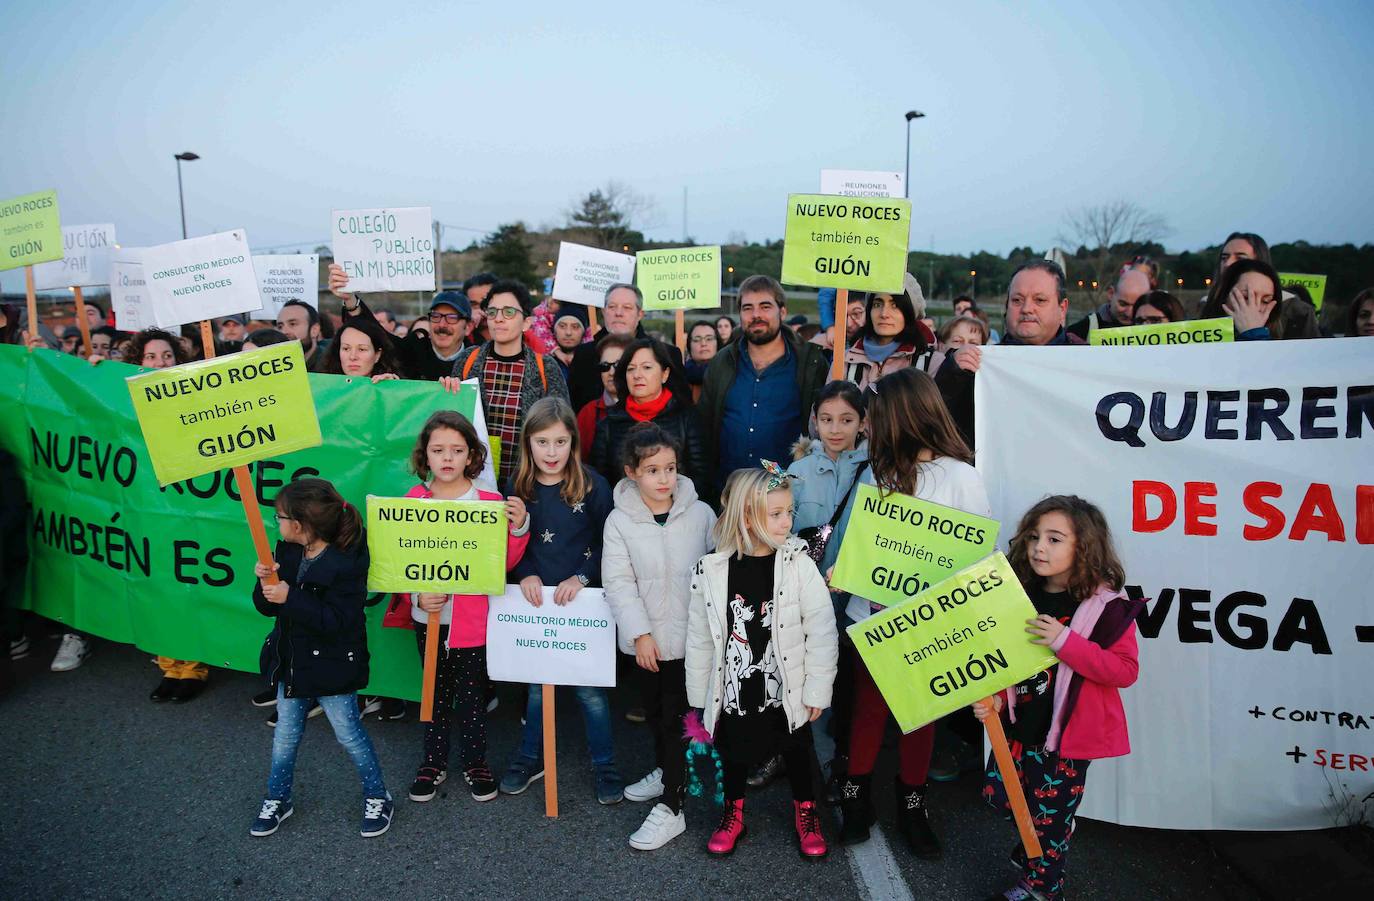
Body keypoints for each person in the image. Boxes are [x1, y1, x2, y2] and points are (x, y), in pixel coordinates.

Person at [830, 368, 990, 860]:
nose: (867, 427)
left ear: (902, 417)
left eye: (875, 418)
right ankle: (856, 799)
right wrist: (844, 569)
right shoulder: (877, 474)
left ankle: (913, 805)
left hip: (930, 625)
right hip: (870, 618)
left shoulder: (963, 478)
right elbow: (862, 544)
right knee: (868, 711)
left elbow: (978, 558)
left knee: (921, 716)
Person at [973, 496, 1142, 901]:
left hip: (1063, 743)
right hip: (1016, 729)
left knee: (1047, 826)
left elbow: (1124, 670)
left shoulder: (1106, 607)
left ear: (1084, 546)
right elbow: (1002, 660)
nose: (1038, 548)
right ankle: (1046, 837)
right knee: (1005, 799)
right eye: (1034, 537)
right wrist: (995, 700)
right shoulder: (1017, 593)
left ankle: (1043, 886)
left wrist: (1065, 641)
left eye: (1054, 539)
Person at [685, 464, 837, 858]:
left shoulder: (799, 564)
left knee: (796, 748)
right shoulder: (713, 570)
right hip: (735, 681)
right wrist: (699, 695)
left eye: (790, 512)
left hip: (788, 685)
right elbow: (701, 636)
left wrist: (818, 688)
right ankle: (732, 813)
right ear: (747, 516)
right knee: (733, 748)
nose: (787, 521)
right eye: (776, 514)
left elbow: (821, 629)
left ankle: (807, 812)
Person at [383, 411, 530, 804]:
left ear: (471, 456)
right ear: (425, 456)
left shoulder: (489, 502)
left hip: (472, 622)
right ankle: (432, 761)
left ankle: (475, 761)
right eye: (438, 450)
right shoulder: (413, 501)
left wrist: (517, 529)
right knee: (432, 692)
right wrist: (415, 597)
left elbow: (503, 564)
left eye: (456, 450)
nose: (447, 458)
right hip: (427, 619)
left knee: (472, 697)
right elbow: (397, 562)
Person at [249, 478, 393, 838]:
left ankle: (378, 795)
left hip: (333, 666)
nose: (276, 523)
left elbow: (338, 622)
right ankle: (278, 798)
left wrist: (290, 598)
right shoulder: (286, 551)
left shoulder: (347, 563)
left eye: (279, 517)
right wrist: (265, 584)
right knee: (285, 734)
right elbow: (266, 607)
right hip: (292, 663)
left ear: (300, 524)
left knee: (348, 734)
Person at [500, 398, 623, 804]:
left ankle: (606, 765)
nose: (551, 453)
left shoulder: (592, 485)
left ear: (573, 442)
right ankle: (528, 757)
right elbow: (505, 547)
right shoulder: (516, 488)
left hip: (584, 602)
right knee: (538, 689)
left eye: (560, 442)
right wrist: (522, 574)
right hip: (534, 605)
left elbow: (613, 543)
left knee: (590, 692)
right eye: (542, 442)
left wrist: (584, 576)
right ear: (527, 443)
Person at [602, 423, 717, 850]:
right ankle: (666, 771)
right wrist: (640, 634)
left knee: (677, 722)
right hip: (649, 645)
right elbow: (618, 582)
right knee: (654, 714)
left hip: (692, 643)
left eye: (670, 468)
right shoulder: (619, 521)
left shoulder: (702, 514)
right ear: (632, 472)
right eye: (653, 470)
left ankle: (673, 806)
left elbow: (719, 567)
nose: (664, 478)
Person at [785, 380, 868, 798]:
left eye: (847, 419)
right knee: (811, 674)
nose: (836, 429)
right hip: (811, 596)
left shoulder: (876, 471)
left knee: (852, 681)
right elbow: (779, 528)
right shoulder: (796, 474)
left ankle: (848, 761)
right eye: (827, 419)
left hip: (860, 598)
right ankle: (811, 755)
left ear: (862, 422)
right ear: (814, 421)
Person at [698, 275, 829, 491]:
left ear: (783, 311)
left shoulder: (809, 364)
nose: (756, 314)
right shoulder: (722, 362)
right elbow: (703, 426)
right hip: (729, 494)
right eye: (747, 308)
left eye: (765, 306)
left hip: (787, 496)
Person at [935, 260, 1083, 448]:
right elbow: (937, 424)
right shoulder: (974, 364)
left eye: (1040, 300)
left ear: (1062, 309)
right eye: (1017, 300)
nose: (1027, 308)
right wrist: (952, 373)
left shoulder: (1088, 364)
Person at [442, 280, 569, 487]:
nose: (498, 319)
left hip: (526, 482)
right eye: (492, 312)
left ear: (526, 322)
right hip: (473, 482)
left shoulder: (545, 367)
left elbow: (562, 426)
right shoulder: (468, 360)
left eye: (508, 312)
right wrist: (447, 389)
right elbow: (451, 418)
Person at [590, 338, 707, 497]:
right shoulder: (609, 423)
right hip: (624, 515)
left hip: (679, 513)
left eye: (646, 367)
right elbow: (600, 482)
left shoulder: (687, 417)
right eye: (631, 369)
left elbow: (701, 477)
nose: (637, 375)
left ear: (664, 374)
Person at [330, 265, 473, 381]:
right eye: (436, 316)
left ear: (468, 327)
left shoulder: (477, 359)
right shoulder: (412, 350)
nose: (442, 325)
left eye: (452, 318)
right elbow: (373, 329)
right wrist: (350, 300)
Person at [567, 284, 685, 410]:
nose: (618, 313)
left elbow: (682, 407)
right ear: (604, 311)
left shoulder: (667, 354)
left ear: (640, 314)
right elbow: (573, 406)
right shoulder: (584, 354)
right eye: (612, 307)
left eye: (627, 308)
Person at [1202, 231, 1318, 338]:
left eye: (1240, 257)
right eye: (1224, 257)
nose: (1228, 263)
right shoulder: (1209, 303)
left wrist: (1253, 334)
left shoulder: (1295, 310)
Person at [841, 275, 937, 388]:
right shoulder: (844, 360)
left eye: (895, 305)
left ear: (910, 312)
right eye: (877, 304)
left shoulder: (932, 363)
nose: (884, 314)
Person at [576, 333, 633, 460]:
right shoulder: (588, 413)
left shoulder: (648, 407)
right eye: (605, 366)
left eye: (618, 365)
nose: (611, 372)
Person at [1200, 258, 1287, 340]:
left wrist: (1254, 334)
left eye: (1265, 301)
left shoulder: (1282, 347)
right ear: (1224, 294)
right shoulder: (1191, 334)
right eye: (1246, 297)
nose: (1255, 309)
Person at [1067, 268, 1150, 339]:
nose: (1129, 313)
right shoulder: (1081, 330)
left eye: (1137, 306)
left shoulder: (1154, 326)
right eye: (1123, 304)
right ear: (1111, 294)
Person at [319, 316, 403, 382]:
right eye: (346, 349)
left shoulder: (391, 388)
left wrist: (392, 391)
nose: (353, 357)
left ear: (377, 355)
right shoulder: (320, 388)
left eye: (362, 349)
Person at [275, 300, 327, 370]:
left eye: (292, 324)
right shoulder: (274, 367)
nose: (284, 332)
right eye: (280, 327)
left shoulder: (333, 366)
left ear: (314, 330)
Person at [548, 304, 590, 379]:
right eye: (562, 326)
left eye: (575, 327)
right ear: (554, 330)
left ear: (584, 332)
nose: (568, 333)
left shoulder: (594, 362)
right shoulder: (541, 361)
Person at [685, 320, 719, 402]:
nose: (703, 343)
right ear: (689, 345)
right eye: (697, 340)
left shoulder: (730, 373)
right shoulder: (679, 377)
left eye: (709, 339)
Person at [462, 273, 498, 346]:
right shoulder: (460, 335)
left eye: (486, 303)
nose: (481, 310)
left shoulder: (521, 335)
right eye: (474, 305)